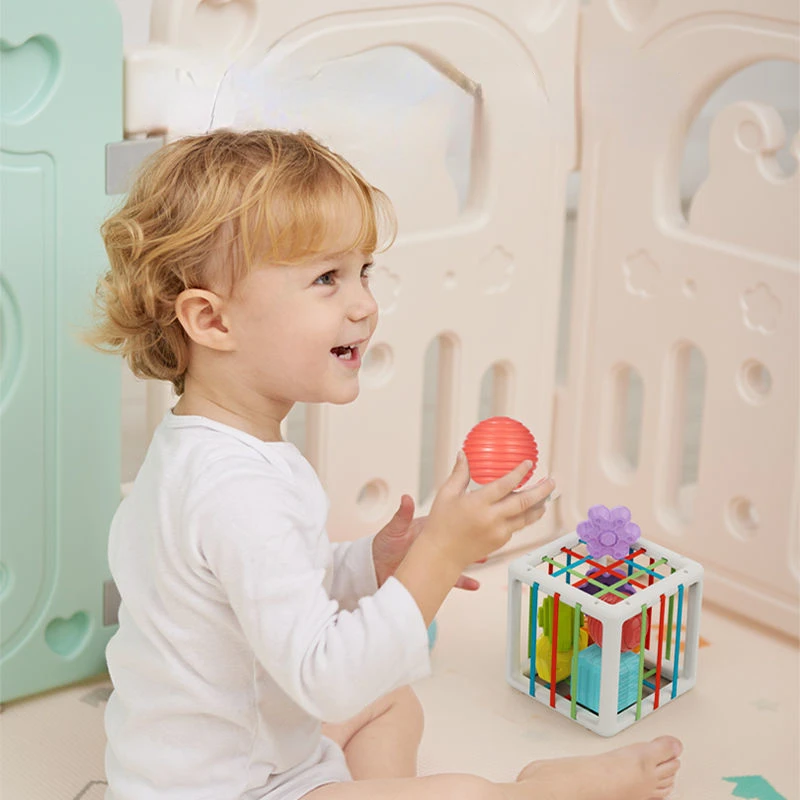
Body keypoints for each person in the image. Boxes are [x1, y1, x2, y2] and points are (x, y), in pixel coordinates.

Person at [90, 129, 682, 800]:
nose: (365, 303)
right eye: (326, 279)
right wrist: (439, 559)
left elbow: (266, 592)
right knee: (456, 788)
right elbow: (327, 677)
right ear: (214, 322)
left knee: (392, 701)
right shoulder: (233, 492)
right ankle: (530, 791)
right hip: (227, 790)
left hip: (264, 748)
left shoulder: (205, 449)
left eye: (361, 271)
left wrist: (372, 563)